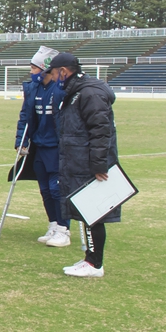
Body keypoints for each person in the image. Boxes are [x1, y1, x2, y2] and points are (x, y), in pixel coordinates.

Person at [50, 52, 120, 278]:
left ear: (63, 71)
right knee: (84, 211)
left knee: (93, 213)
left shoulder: (89, 93)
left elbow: (101, 130)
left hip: (89, 164)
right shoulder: (75, 92)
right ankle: (90, 259)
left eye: (54, 73)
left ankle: (95, 263)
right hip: (78, 160)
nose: (53, 78)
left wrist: (99, 164)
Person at [14, 46, 70, 247]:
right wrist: (21, 140)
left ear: (45, 69)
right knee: (45, 189)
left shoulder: (60, 89)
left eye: (34, 68)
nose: (31, 72)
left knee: (56, 189)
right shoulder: (33, 89)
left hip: (56, 147)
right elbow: (25, 116)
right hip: (38, 146)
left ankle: (64, 229)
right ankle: (53, 224)